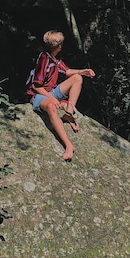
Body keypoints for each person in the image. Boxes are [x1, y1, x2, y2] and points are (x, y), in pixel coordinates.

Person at [26, 30, 95, 161]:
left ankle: (68, 114)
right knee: (52, 107)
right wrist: (52, 98)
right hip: (39, 95)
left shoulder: (54, 59)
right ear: (59, 47)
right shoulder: (43, 58)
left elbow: (67, 71)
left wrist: (82, 72)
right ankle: (69, 145)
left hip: (51, 91)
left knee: (77, 78)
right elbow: (36, 86)